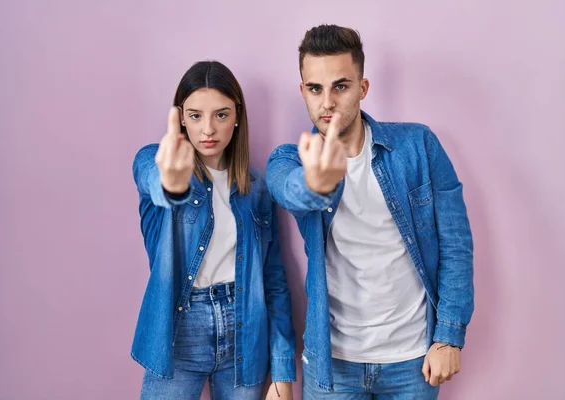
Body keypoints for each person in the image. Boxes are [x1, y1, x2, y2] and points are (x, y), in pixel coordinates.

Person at [266, 25, 474, 399]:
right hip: (333, 363)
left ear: (363, 88)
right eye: (315, 89)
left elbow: (456, 244)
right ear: (303, 92)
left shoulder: (418, 146)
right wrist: (316, 184)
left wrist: (449, 336)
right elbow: (288, 190)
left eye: (340, 86)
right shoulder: (290, 159)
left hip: (413, 360)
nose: (327, 101)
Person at [131, 60, 296, 399]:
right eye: (195, 115)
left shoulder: (257, 188)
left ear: (237, 118)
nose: (208, 129)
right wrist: (173, 185)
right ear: (180, 118)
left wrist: (282, 371)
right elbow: (152, 179)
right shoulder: (156, 160)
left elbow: (274, 281)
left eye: (220, 114)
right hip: (180, 329)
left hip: (245, 330)